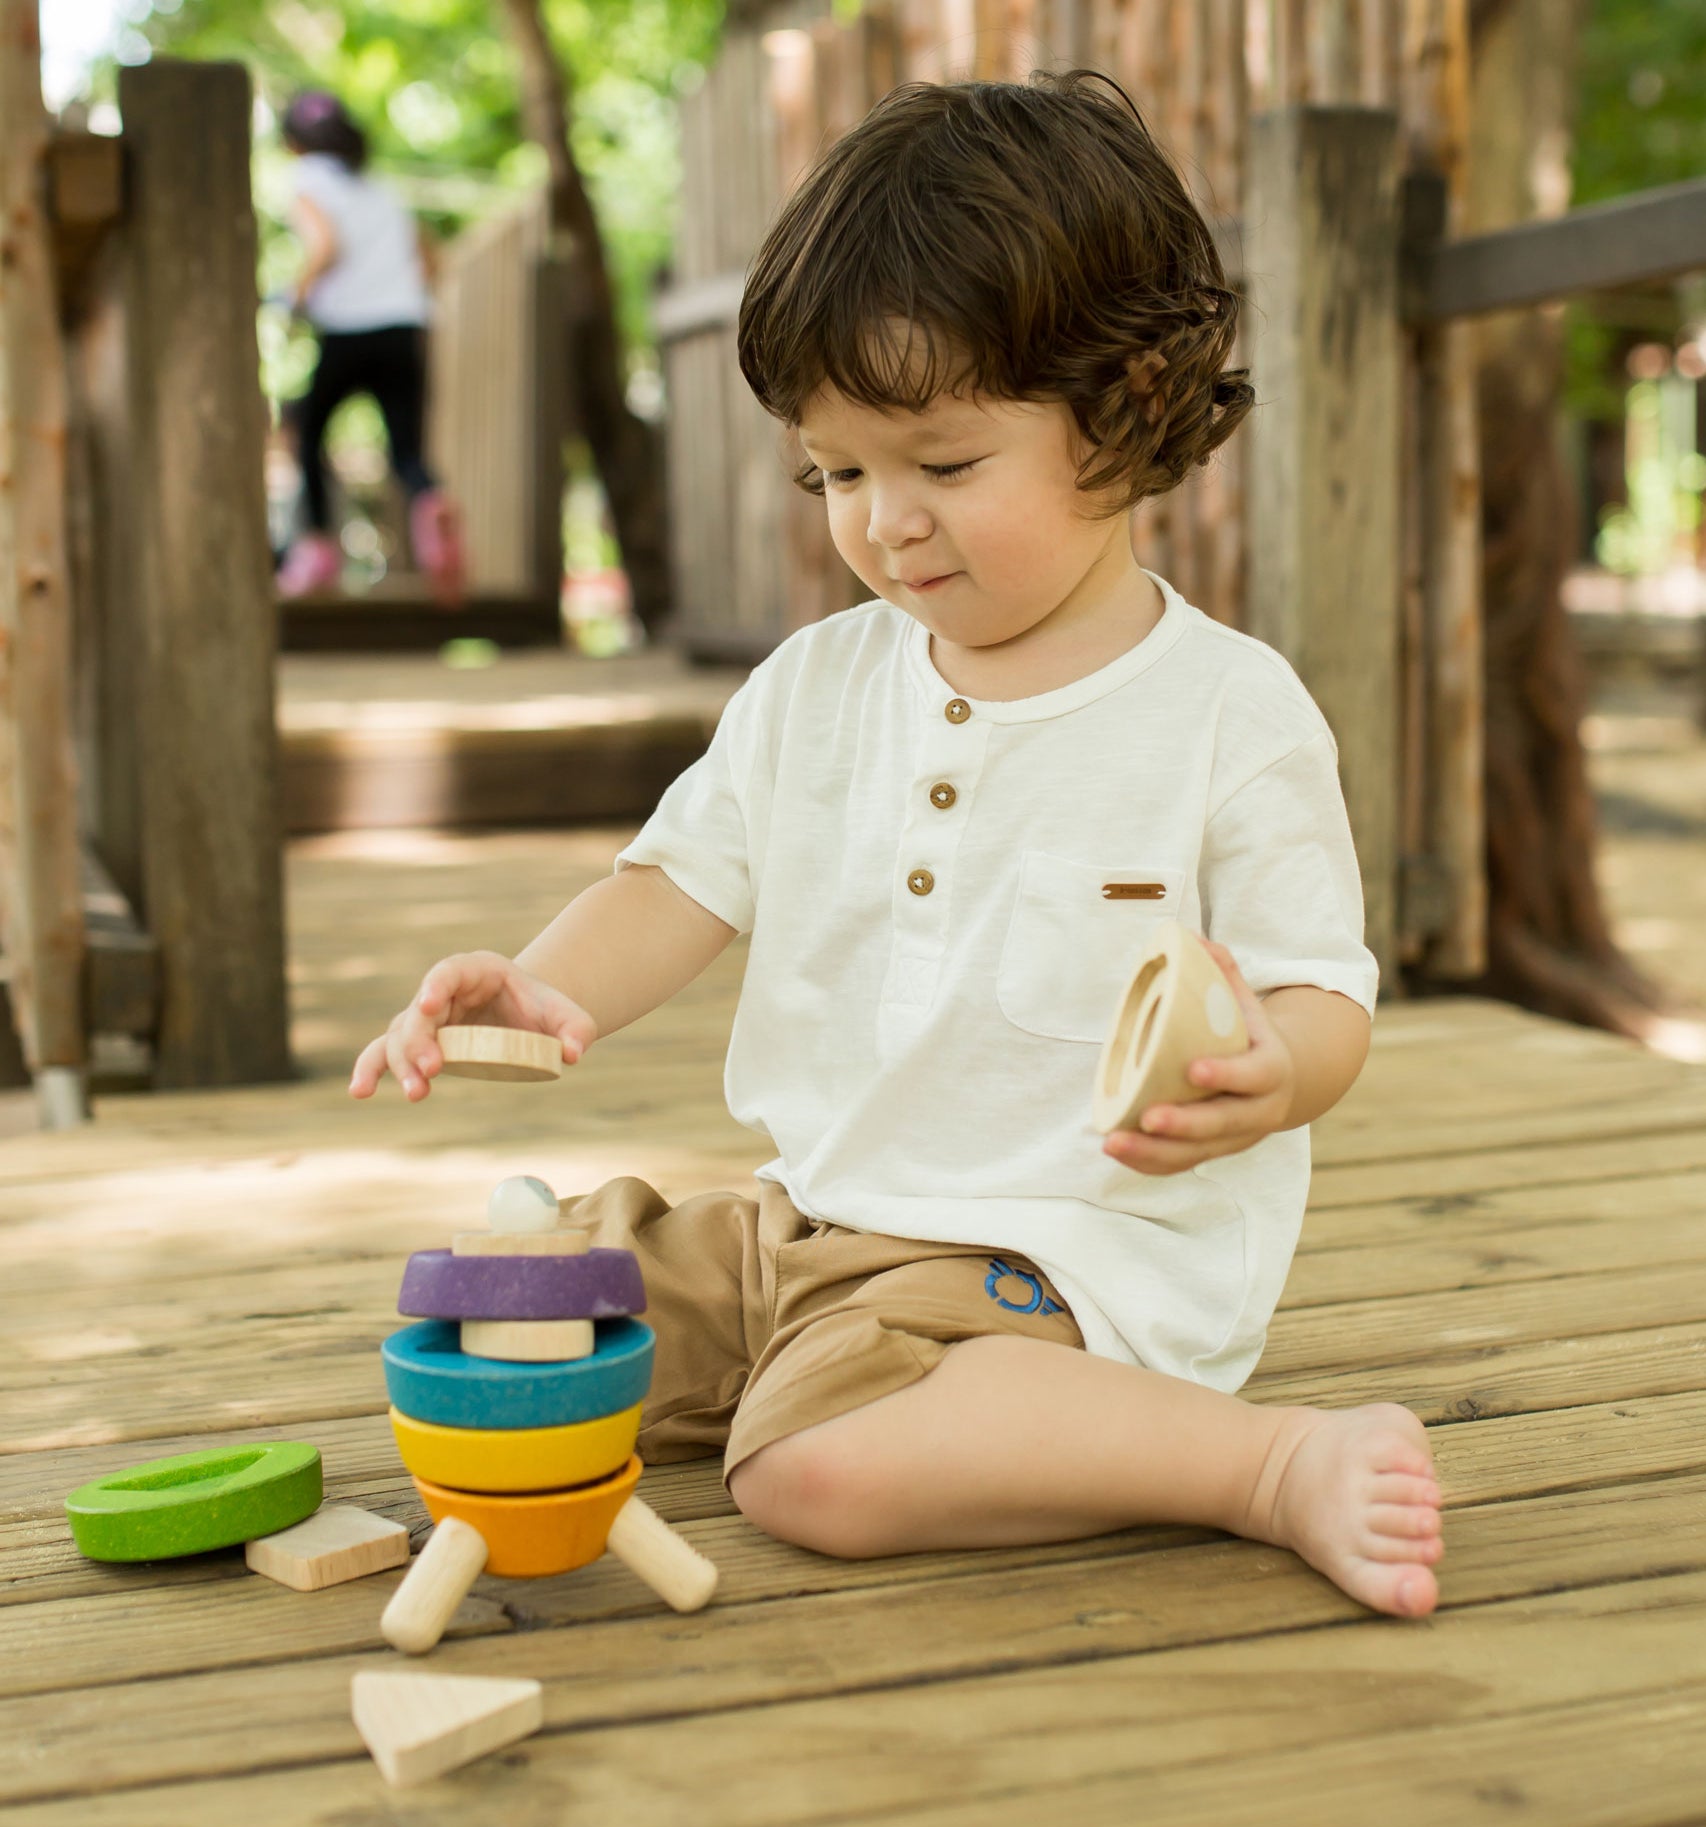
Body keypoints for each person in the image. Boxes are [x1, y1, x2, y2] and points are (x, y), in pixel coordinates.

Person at [350, 71, 1444, 1619]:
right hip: (811, 1218)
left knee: (812, 1473)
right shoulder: (817, 685)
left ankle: (1257, 1465)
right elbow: (675, 882)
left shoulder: (1225, 713)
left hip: (1059, 1261)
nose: (883, 524)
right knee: (517, 1307)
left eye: (941, 465)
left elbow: (1321, 993)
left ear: (1125, 414)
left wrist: (1276, 1072)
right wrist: (541, 987)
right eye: (837, 473)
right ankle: (828, 1358)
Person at [275, 90, 464, 605]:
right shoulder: (381, 190)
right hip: (404, 325)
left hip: (347, 329)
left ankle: (315, 549)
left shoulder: (306, 179)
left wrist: (292, 300)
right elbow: (431, 260)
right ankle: (431, 501)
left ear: (293, 142)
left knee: (308, 432)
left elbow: (325, 246)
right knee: (407, 449)